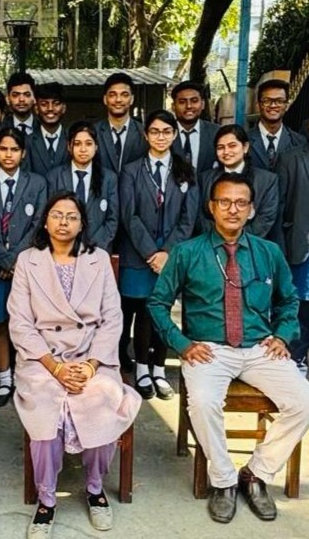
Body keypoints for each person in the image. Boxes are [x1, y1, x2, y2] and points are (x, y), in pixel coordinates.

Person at [148, 172, 309, 524]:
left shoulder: (269, 252)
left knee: (304, 401)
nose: (232, 209)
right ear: (211, 207)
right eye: (225, 202)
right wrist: (181, 344)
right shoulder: (187, 252)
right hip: (208, 350)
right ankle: (223, 481)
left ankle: (256, 474)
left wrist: (282, 336)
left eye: (240, 203)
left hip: (259, 348)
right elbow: (157, 304)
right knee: (203, 403)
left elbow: (288, 299)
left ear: (251, 210)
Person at [7, 192, 141, 536]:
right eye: (57, 215)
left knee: (100, 399)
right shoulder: (28, 260)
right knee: (46, 406)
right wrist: (55, 368)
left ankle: (95, 489)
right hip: (42, 358)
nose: (63, 222)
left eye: (72, 216)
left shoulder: (98, 260)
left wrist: (92, 365)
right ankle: (46, 499)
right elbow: (20, 322)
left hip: (91, 355)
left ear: (82, 224)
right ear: (45, 221)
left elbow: (112, 318)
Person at [119, 109, 199, 400]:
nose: (160, 137)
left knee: (163, 310)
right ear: (146, 135)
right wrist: (151, 252)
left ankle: (159, 369)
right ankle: (142, 368)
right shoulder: (131, 170)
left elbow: (188, 218)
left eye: (166, 131)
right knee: (143, 310)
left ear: (174, 135)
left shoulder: (185, 170)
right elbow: (129, 215)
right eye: (154, 131)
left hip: (172, 256)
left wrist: (167, 253)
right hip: (138, 255)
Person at [0, 128, 47, 407]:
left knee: (28, 322)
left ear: (23, 153)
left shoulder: (37, 183)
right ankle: (5, 378)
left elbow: (38, 222)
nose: (8, 155)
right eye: (3, 149)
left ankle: (27, 376)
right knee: (0, 322)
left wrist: (16, 258)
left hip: (26, 265)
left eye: (14, 149)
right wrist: (3, 259)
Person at [47, 121, 119, 253]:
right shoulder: (54, 177)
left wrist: (92, 248)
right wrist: (66, 246)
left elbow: (112, 219)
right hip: (62, 250)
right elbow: (50, 217)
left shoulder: (109, 178)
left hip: (98, 250)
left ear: (96, 147)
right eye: (77, 144)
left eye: (88, 143)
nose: (83, 149)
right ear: (69, 147)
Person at [198, 124, 278, 238]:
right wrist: (219, 237)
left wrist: (237, 239)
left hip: (251, 244)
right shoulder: (204, 179)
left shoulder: (267, 180)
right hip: (211, 242)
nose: (226, 151)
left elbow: (266, 219)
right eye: (220, 147)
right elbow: (199, 217)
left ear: (245, 147)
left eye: (232, 146)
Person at [275, 144, 309, 370]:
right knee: (299, 306)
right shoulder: (290, 159)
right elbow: (280, 207)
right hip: (300, 247)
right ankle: (296, 358)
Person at [247, 79, 307, 171]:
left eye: (279, 101)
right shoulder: (244, 140)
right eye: (267, 101)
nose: (273, 105)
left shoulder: (300, 142)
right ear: (258, 105)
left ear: (287, 105)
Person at [95, 73, 148, 174]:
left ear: (132, 99)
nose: (118, 100)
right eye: (112, 95)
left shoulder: (144, 134)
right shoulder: (94, 132)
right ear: (105, 99)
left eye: (124, 95)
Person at [170, 81, 220, 175]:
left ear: (203, 104)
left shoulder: (217, 132)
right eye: (182, 102)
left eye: (194, 101)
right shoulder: (165, 133)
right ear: (173, 106)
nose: (189, 106)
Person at [26, 82, 69, 176]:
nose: (50, 108)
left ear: (64, 108)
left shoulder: (73, 139)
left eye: (56, 104)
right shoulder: (27, 142)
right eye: (44, 104)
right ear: (36, 108)